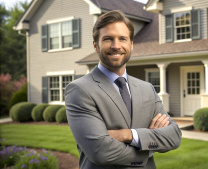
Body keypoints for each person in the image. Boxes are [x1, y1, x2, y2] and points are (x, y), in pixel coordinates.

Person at [65, 10, 182, 169]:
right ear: (96, 45)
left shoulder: (146, 88)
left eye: (122, 39)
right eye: (108, 39)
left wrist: (127, 135)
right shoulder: (80, 90)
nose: (116, 46)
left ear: (131, 44)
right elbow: (100, 151)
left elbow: (174, 136)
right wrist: (148, 146)